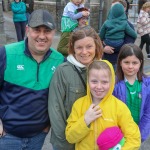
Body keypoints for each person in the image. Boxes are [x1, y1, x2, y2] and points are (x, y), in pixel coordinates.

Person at [0, 9, 64, 150]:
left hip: (38, 137)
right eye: (37, 30)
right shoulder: (6, 53)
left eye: (47, 31)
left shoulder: (60, 61)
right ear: (27, 30)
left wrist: (47, 126)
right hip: (7, 137)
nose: (42, 36)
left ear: (53, 33)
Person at [65, 60, 141, 150]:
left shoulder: (119, 107)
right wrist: (85, 120)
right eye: (94, 81)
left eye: (104, 82)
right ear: (88, 81)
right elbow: (70, 138)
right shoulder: (79, 105)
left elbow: (134, 139)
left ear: (112, 82)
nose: (99, 87)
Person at [48, 27, 103, 150]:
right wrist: (65, 140)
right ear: (73, 48)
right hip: (67, 142)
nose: (84, 52)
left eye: (89, 46)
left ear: (96, 46)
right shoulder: (63, 71)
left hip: (92, 142)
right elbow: (55, 109)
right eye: (79, 47)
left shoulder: (103, 69)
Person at [113, 43, 150, 142]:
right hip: (118, 135)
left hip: (138, 133)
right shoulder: (113, 84)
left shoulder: (148, 84)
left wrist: (140, 135)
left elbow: (148, 112)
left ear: (140, 63)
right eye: (126, 62)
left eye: (134, 63)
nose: (130, 66)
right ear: (120, 62)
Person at [103, 0, 136, 68]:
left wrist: (111, 48)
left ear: (124, 8)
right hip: (105, 59)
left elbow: (128, 45)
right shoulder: (107, 23)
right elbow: (99, 38)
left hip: (118, 61)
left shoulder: (128, 25)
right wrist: (103, 48)